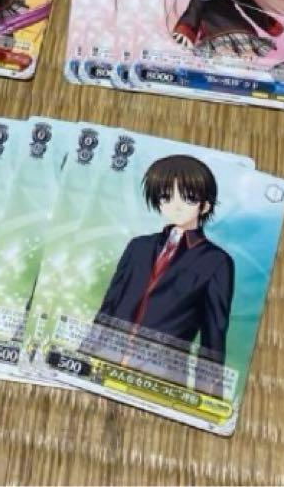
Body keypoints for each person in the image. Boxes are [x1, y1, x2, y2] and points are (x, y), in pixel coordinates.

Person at [84, 155, 233, 394]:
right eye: (166, 196)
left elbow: (213, 335)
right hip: (106, 356)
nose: (176, 206)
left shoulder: (216, 261)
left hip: (162, 374)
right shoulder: (138, 246)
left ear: (205, 205)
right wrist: (84, 354)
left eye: (188, 198)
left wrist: (208, 395)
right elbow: (110, 305)